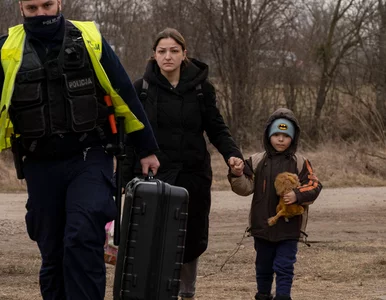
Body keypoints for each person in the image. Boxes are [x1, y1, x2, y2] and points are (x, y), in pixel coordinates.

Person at [0, 0, 160, 299]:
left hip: (89, 155)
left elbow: (124, 92)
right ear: (21, 8)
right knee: (53, 249)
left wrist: (146, 148)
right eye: (32, 8)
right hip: (39, 161)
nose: (41, 14)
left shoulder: (89, 38)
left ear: (59, 2)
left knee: (81, 236)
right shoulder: (7, 49)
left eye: (47, 5)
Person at [122, 27, 243, 300]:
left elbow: (216, 128)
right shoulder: (141, 89)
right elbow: (130, 137)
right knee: (153, 239)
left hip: (194, 175)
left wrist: (232, 154)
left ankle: (186, 292)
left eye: (174, 51)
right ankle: (157, 291)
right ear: (154, 55)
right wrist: (123, 181)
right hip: (154, 177)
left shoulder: (201, 88)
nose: (168, 56)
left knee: (191, 237)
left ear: (184, 54)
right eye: (162, 51)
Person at [228, 108, 322, 300]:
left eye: (286, 135)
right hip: (262, 226)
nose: (281, 139)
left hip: (289, 228)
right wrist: (237, 174)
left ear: (293, 138)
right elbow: (244, 188)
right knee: (263, 266)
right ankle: (263, 295)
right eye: (276, 134)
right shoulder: (256, 160)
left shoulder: (300, 162)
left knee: (284, 266)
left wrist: (297, 195)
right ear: (268, 135)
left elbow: (314, 185)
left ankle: (283, 296)